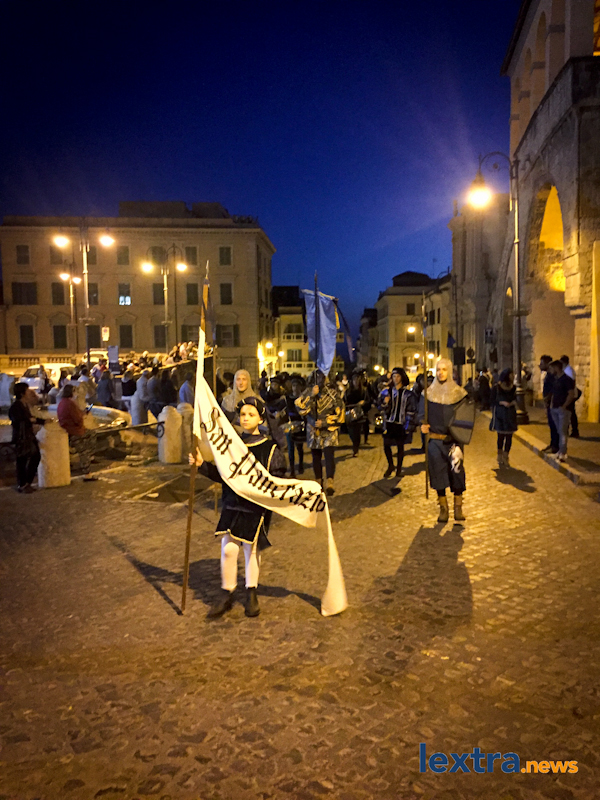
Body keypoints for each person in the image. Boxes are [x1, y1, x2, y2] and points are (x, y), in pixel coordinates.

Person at [189, 397, 286, 619]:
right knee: (228, 549)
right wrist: (201, 465)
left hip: (255, 507)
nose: (246, 418)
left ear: (261, 419)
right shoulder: (231, 445)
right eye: (243, 414)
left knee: (251, 549)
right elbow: (222, 475)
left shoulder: (269, 448)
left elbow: (277, 480)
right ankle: (227, 591)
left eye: (251, 414)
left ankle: (251, 592)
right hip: (232, 504)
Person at [420, 358, 469, 523]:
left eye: (444, 369)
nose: (440, 373)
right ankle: (443, 508)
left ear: (450, 371)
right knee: (437, 472)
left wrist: (460, 432)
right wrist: (422, 424)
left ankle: (458, 507)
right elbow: (421, 414)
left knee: (457, 471)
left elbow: (465, 416)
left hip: (454, 441)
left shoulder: (459, 394)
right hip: (435, 440)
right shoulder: (427, 394)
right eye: (438, 369)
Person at [295, 369, 343, 496]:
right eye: (319, 377)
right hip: (313, 430)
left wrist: (326, 422)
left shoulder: (333, 394)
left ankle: (330, 482)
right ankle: (318, 481)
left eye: (323, 377)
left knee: (329, 455)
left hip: (329, 429)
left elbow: (340, 412)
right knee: (316, 456)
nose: (321, 379)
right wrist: (311, 395)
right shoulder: (308, 392)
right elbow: (300, 408)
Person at [379, 367, 418, 477]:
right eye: (394, 376)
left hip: (401, 424)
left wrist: (409, 425)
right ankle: (391, 465)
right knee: (386, 445)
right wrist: (385, 403)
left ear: (402, 378)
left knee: (400, 447)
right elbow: (380, 407)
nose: (396, 378)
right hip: (389, 422)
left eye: (398, 376)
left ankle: (399, 469)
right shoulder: (386, 392)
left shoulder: (408, 394)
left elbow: (412, 410)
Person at [9, 383, 46, 493]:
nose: (29, 392)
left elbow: (30, 418)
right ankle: (22, 484)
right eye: (27, 390)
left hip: (28, 435)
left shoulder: (25, 405)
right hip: (21, 437)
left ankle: (27, 482)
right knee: (22, 460)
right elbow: (20, 419)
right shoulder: (16, 406)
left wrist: (40, 421)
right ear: (22, 393)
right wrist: (33, 420)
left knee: (35, 456)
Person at [57, 385, 97, 480]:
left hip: (68, 430)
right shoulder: (70, 403)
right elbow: (77, 419)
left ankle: (88, 458)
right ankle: (87, 472)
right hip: (75, 432)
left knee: (91, 435)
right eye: (75, 391)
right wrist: (82, 415)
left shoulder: (62, 402)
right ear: (72, 392)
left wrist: (81, 413)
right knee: (84, 449)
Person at [548, 359, 575, 462]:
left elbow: (571, 394)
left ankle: (563, 453)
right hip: (555, 408)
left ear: (556, 368)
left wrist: (564, 406)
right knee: (559, 431)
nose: (551, 370)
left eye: (552, 368)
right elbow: (553, 393)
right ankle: (560, 451)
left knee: (563, 431)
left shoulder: (566, 379)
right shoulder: (556, 379)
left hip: (563, 409)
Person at [490, 368, 517, 466]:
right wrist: (502, 402)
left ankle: (506, 456)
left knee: (509, 436)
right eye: (511, 374)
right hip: (500, 414)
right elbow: (492, 401)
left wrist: (512, 403)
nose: (513, 376)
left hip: (510, 414)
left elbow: (515, 398)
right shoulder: (497, 387)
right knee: (501, 436)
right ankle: (499, 455)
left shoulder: (513, 387)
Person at [284, 376, 306, 477]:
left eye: (297, 385)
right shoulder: (287, 398)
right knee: (290, 448)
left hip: (300, 425)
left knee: (299, 447)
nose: (295, 387)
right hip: (290, 425)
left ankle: (300, 464)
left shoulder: (303, 398)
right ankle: (292, 470)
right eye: (294, 385)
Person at [344, 373, 369, 457]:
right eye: (354, 380)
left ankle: (355, 449)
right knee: (351, 432)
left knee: (357, 432)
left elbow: (368, 401)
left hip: (359, 414)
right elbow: (344, 401)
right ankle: (355, 444)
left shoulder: (363, 391)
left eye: (357, 380)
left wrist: (363, 403)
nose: (356, 381)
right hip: (350, 413)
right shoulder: (348, 391)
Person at [540, 355, 559, 454]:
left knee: (554, 425)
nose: (540, 365)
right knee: (551, 425)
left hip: (552, 403)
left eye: (542, 363)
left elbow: (553, 389)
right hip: (549, 403)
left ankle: (555, 446)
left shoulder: (552, 375)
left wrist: (548, 399)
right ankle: (552, 444)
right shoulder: (548, 374)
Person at [560, 355, 580, 438]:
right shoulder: (568, 370)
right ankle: (572, 430)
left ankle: (573, 431)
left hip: (569, 396)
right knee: (570, 413)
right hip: (570, 395)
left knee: (569, 413)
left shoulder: (568, 371)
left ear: (564, 362)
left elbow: (570, 384)